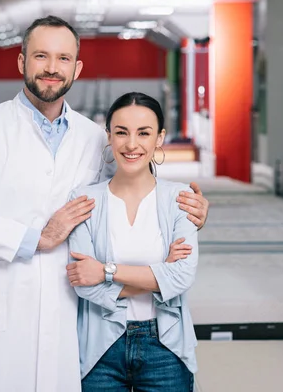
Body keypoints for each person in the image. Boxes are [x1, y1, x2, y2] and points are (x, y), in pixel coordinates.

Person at [0, 16, 209, 392]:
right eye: (41, 56)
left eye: (63, 58)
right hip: (0, 302)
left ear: (76, 68)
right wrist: (38, 238)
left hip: (70, 311)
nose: (51, 68)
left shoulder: (93, 137)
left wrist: (188, 209)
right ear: (21, 62)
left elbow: (137, 175)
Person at [67, 92, 199, 392]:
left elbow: (181, 277)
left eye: (144, 133)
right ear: (109, 136)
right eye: (121, 132)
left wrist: (105, 271)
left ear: (160, 138)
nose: (131, 144)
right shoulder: (85, 200)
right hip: (101, 350)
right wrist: (158, 274)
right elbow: (84, 284)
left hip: (166, 347)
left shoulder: (181, 201)